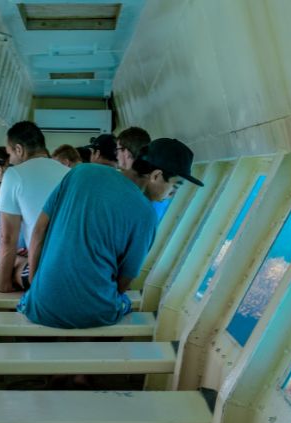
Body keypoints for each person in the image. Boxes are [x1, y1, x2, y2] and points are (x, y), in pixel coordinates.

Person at [18, 138, 204, 329]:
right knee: (123, 303)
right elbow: (124, 280)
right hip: (96, 315)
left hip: (41, 307)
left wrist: (35, 283)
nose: (172, 194)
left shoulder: (81, 171)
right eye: (175, 186)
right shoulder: (146, 215)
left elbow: (39, 230)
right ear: (156, 175)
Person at [0, 121, 69, 292]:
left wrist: (4, 284)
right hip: (75, 269)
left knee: (16, 262)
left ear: (19, 150)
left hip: (46, 275)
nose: (11, 160)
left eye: (10, 154)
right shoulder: (68, 173)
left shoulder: (14, 175)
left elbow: (7, 237)